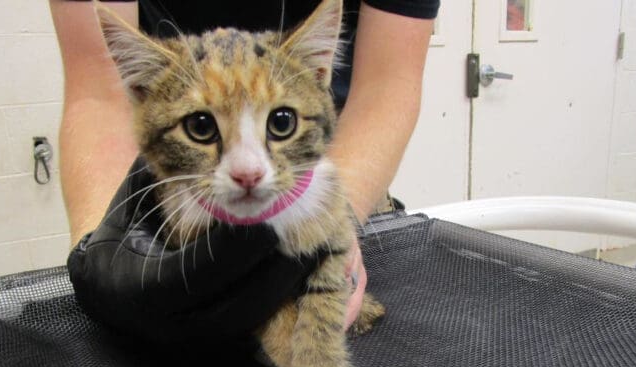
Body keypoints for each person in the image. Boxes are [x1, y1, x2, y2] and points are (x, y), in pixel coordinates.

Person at [50, 0, 437, 344]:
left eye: (279, 120)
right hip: (179, 191)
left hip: (331, 175)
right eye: (203, 126)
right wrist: (100, 256)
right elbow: (97, 95)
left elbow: (388, 83)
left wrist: (334, 221)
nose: (248, 172)